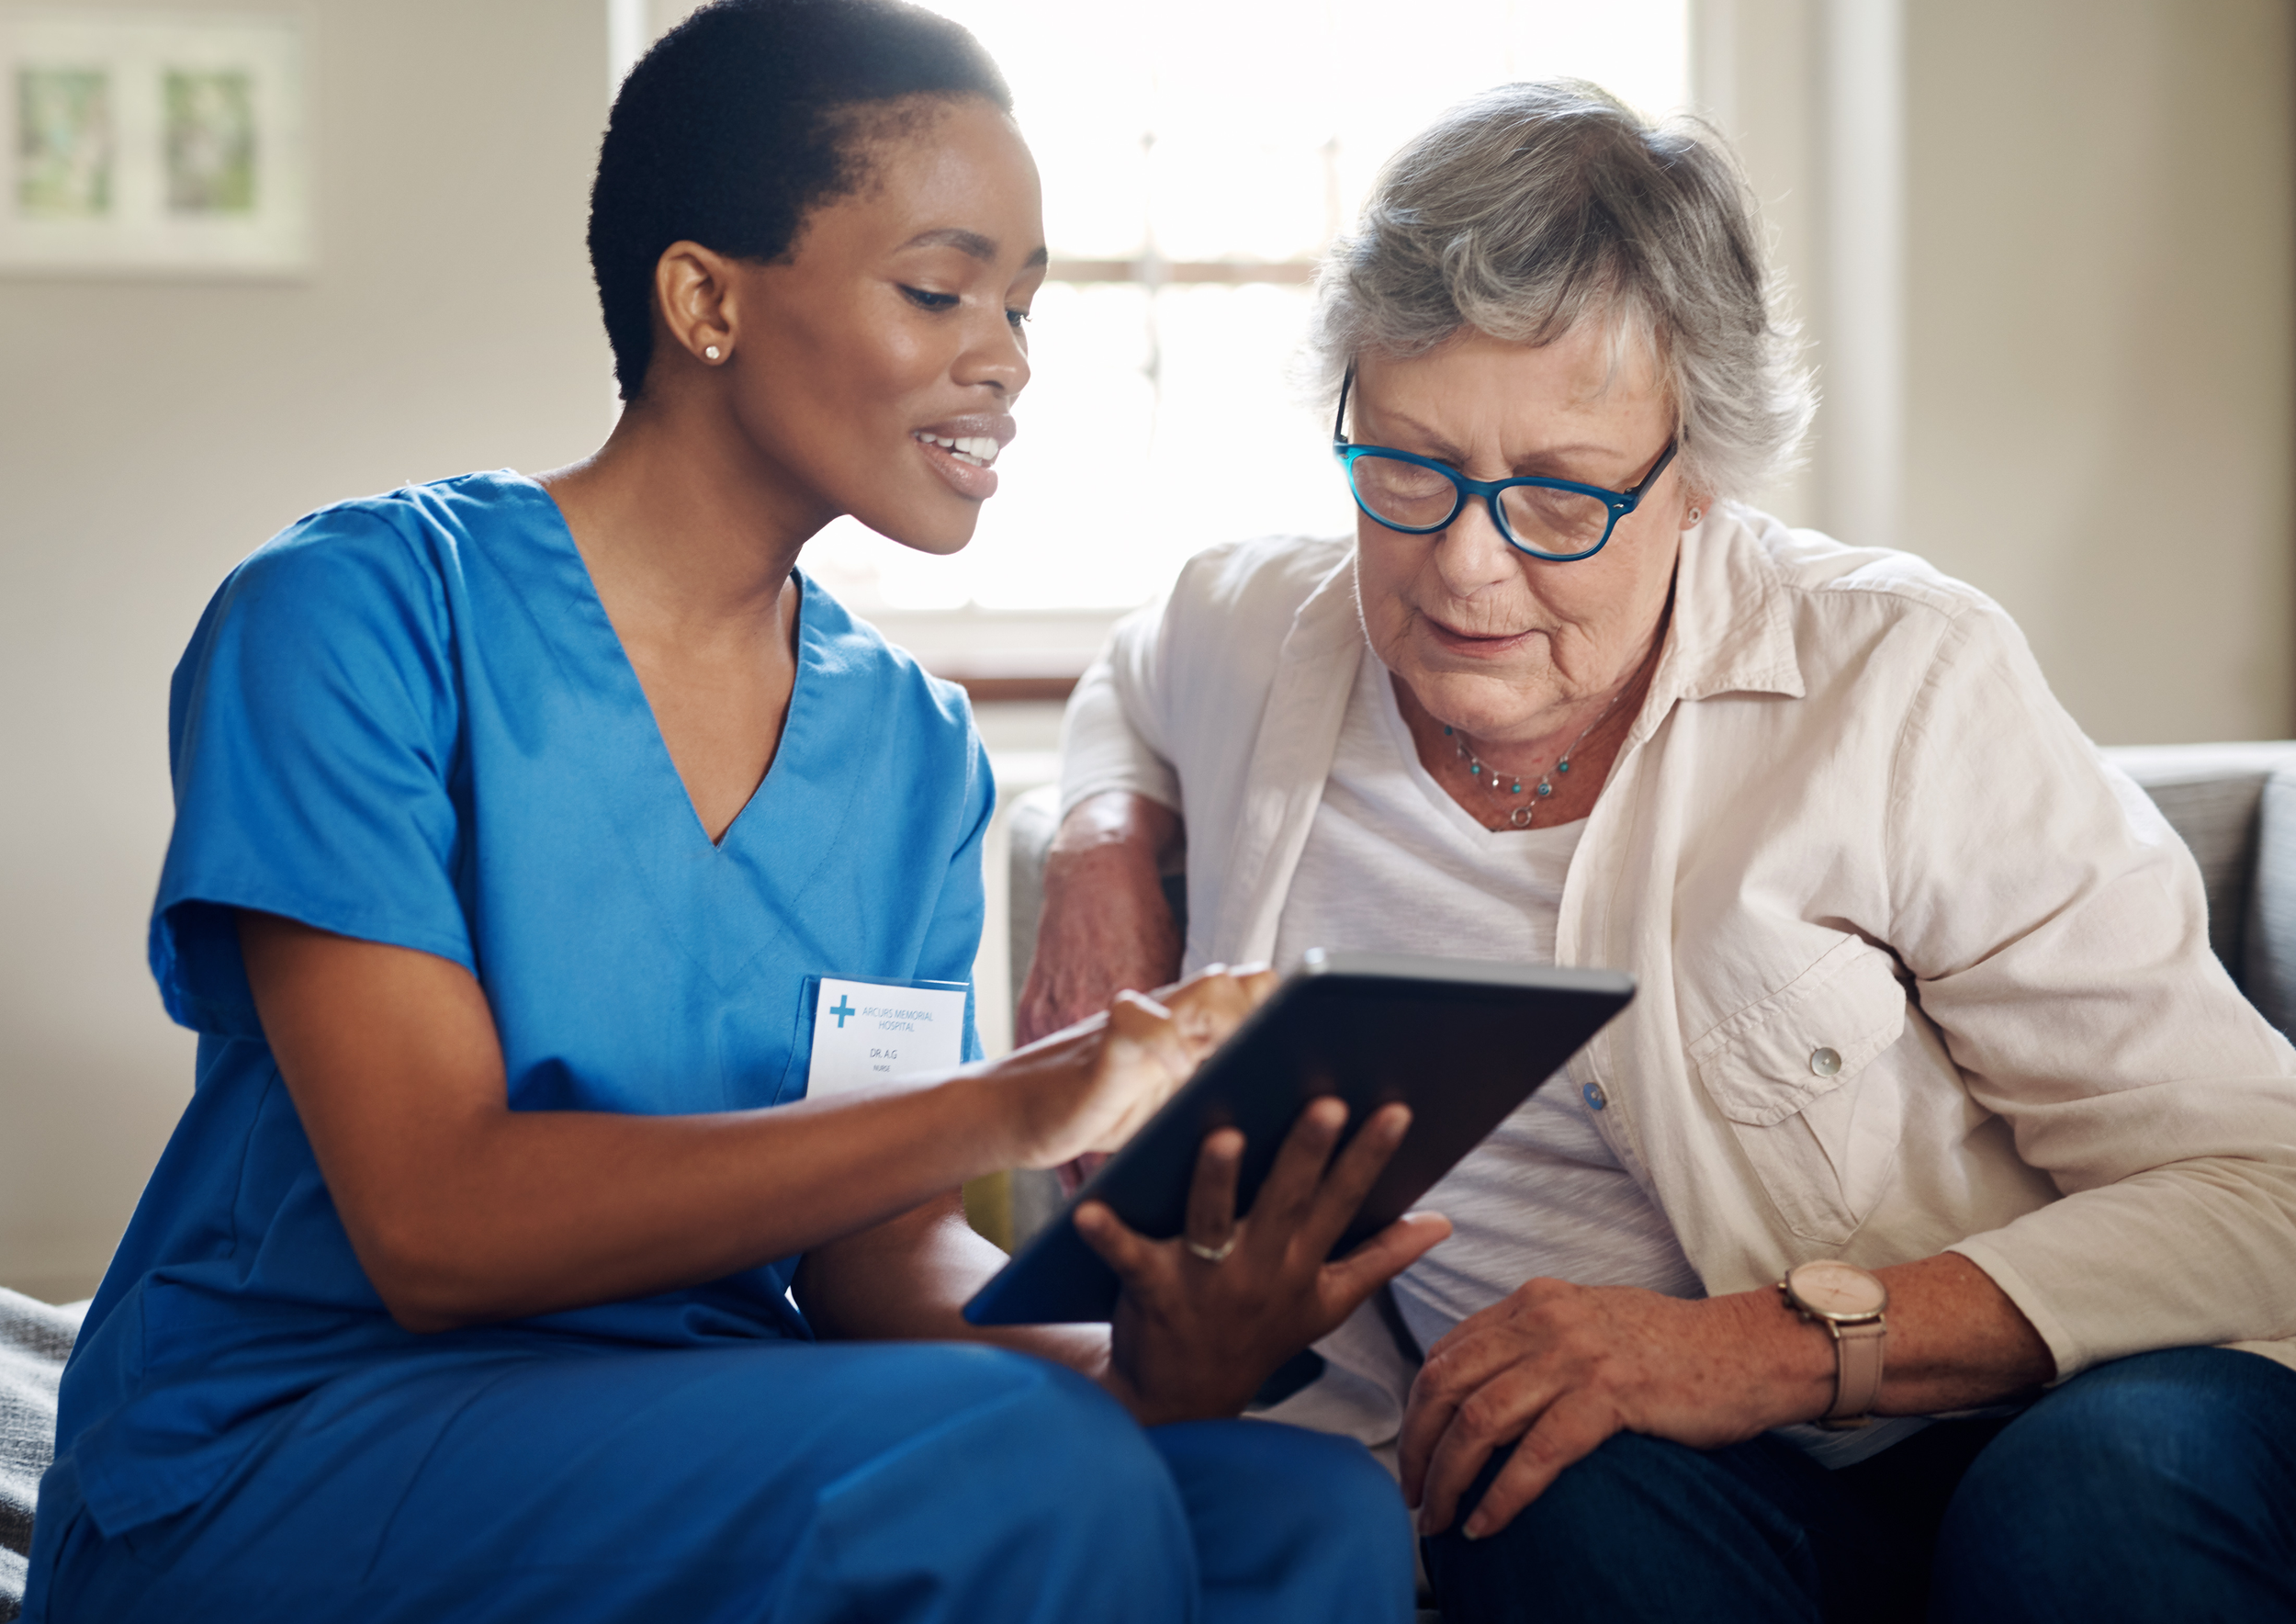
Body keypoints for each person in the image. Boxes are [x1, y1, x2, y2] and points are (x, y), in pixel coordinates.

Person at [21, 5, 1449, 1619]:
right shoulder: (356, 620)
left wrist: (1138, 1355)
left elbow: (879, 1252)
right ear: (705, 298)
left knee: (1311, 1514)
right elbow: (435, 1222)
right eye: (940, 288)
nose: (1008, 357)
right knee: (1017, 1463)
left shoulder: (911, 747)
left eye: (1025, 305)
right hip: (296, 1435)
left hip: (716, 1417)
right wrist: (1017, 1103)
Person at [1021, 80, 2296, 1623]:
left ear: (1697, 476)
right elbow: (1135, 676)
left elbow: (2262, 1185)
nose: (1466, 565)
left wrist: (1763, 1344)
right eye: (1410, 469)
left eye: (1558, 495)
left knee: (2092, 1496)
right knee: (1519, 1477)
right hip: (1688, 1498)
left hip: (2034, 1417)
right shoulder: (1260, 631)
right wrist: (1102, 850)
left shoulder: (1897, 680)